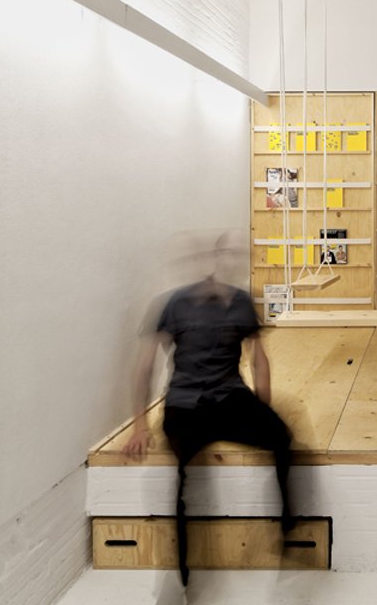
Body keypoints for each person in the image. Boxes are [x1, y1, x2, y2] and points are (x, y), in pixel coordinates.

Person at [123, 231, 293, 587]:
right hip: (185, 404)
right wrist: (139, 426)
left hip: (230, 399)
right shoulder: (173, 304)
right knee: (182, 477)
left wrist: (262, 408)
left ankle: (286, 527)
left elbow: (259, 360)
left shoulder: (241, 302)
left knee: (282, 437)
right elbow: (144, 368)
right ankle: (183, 573)